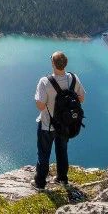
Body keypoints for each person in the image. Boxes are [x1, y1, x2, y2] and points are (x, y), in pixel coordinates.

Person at [32, 51, 85, 189]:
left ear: (53, 64)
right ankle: (62, 179)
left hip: (47, 125)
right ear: (65, 63)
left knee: (44, 153)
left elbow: (40, 106)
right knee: (62, 151)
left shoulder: (45, 81)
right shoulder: (73, 78)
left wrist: (37, 98)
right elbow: (82, 98)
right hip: (65, 125)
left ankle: (40, 183)